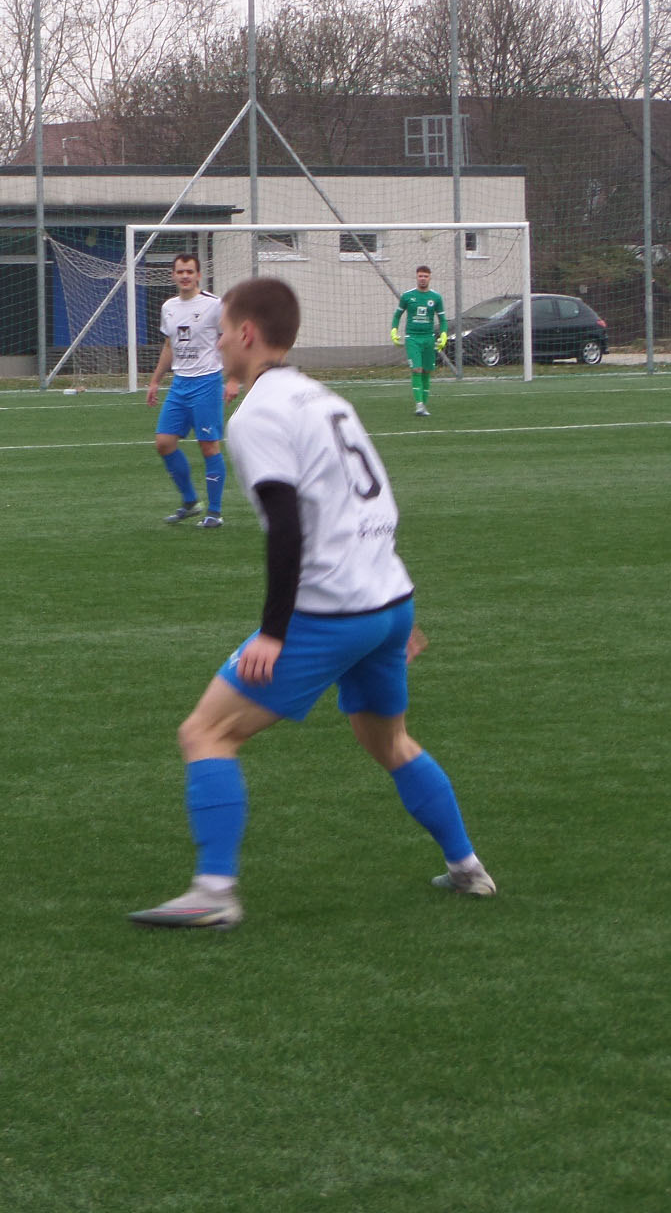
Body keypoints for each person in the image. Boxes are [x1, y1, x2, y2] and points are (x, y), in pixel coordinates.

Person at [129, 276, 495, 930]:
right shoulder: (325, 399)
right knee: (389, 741)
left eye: (222, 331)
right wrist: (394, 604)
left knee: (205, 732)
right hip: (385, 603)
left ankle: (214, 892)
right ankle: (467, 866)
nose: (216, 342)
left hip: (331, 613)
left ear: (246, 334)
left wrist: (274, 632)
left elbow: (286, 529)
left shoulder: (259, 416)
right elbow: (374, 504)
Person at [145, 252, 232, 529]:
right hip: (180, 384)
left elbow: (231, 341)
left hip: (207, 382)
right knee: (164, 443)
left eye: (189, 271)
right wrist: (155, 381)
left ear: (198, 275)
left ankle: (215, 513)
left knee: (208, 446)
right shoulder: (169, 307)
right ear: (173, 275)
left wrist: (233, 379)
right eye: (180, 272)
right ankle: (191, 502)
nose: (185, 276)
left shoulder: (214, 305)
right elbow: (169, 346)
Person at [391, 265, 449, 416]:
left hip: (429, 338)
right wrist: (394, 331)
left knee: (427, 371)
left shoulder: (436, 297)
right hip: (412, 338)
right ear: (416, 277)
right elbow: (397, 315)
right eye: (420, 276)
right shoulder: (407, 296)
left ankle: (424, 405)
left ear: (430, 278)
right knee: (416, 369)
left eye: (425, 276)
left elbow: (442, 320)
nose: (423, 279)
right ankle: (419, 405)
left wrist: (443, 335)